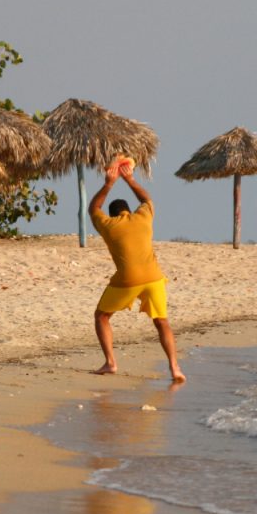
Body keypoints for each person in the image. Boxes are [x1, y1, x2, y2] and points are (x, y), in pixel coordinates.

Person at [88, 155, 185, 384]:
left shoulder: (108, 225)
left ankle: (111, 362)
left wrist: (108, 183)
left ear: (112, 214)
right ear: (129, 211)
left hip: (127, 280)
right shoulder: (143, 217)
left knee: (101, 316)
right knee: (162, 322)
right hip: (154, 278)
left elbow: (94, 208)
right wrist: (129, 179)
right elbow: (146, 199)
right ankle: (175, 368)